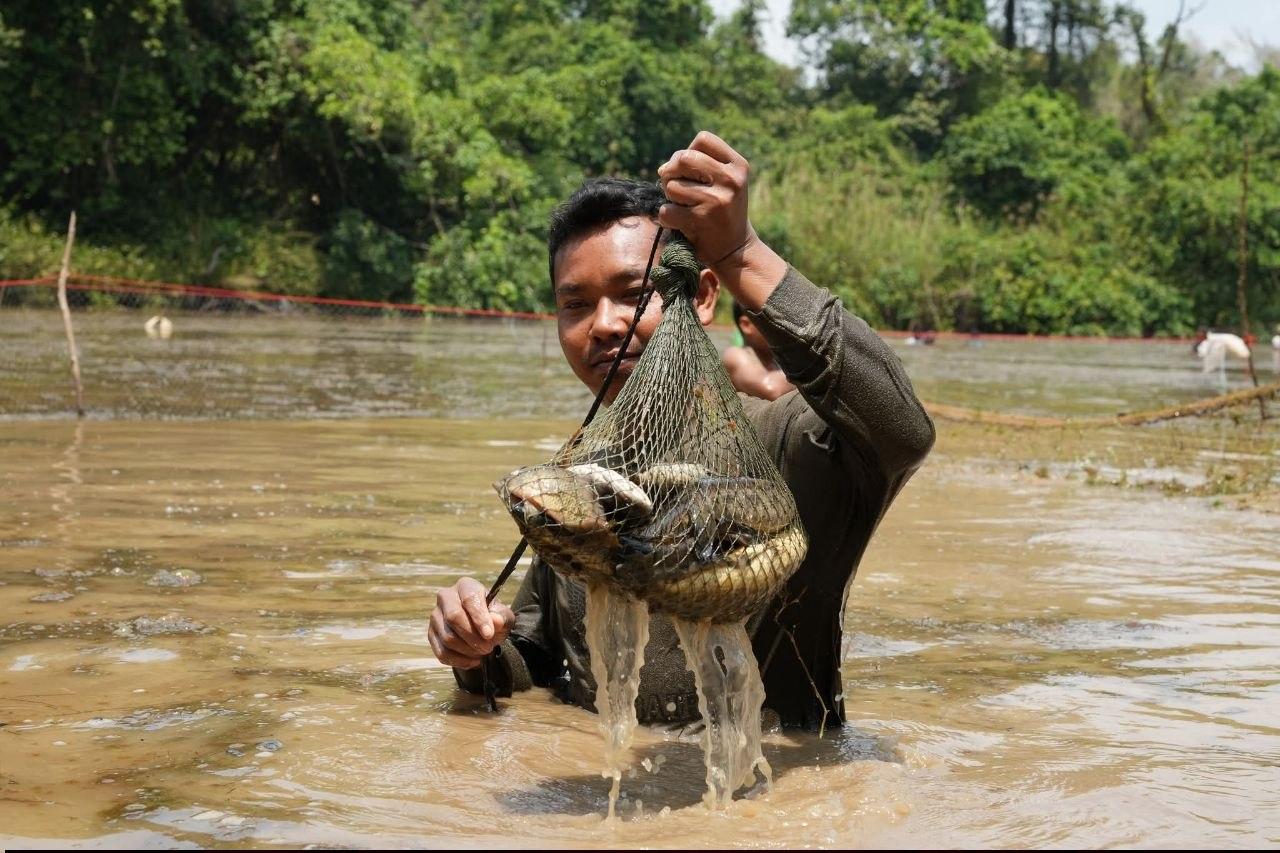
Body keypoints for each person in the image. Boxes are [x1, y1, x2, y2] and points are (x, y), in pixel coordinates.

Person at [427, 132, 935, 730]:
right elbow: (535, 671)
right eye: (575, 305)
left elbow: (902, 429)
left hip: (769, 815)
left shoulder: (790, 446)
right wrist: (471, 647)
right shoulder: (578, 489)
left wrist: (743, 251)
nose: (604, 325)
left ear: (701, 297)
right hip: (606, 817)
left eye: (634, 295)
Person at [723, 300, 796, 401]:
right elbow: (772, 389)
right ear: (746, 325)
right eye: (773, 319)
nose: (782, 326)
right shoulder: (736, 355)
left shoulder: (779, 360)